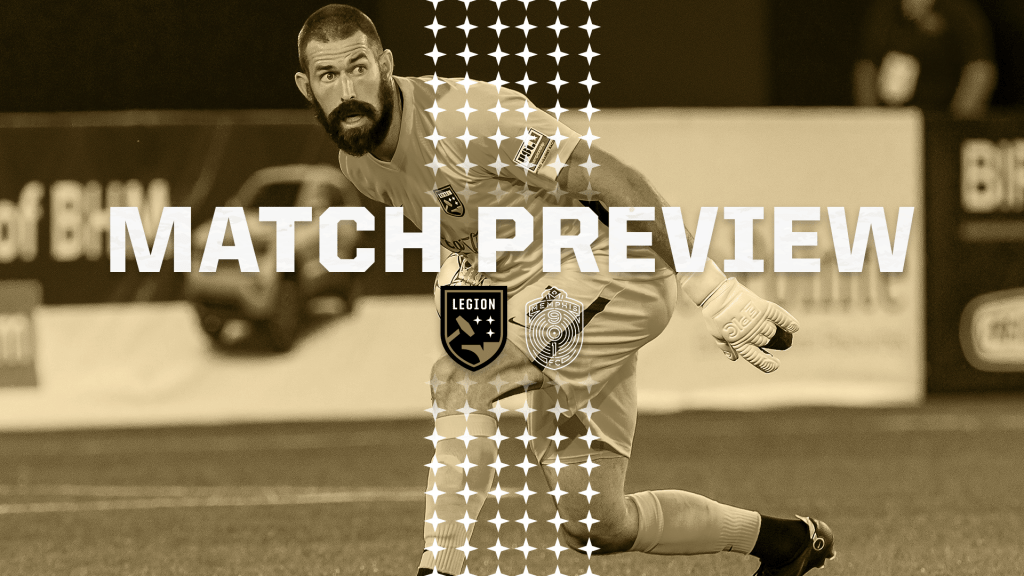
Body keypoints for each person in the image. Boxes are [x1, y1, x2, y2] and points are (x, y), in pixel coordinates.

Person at [294, 5, 835, 575]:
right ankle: (786, 542)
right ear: (307, 86)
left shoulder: (468, 119)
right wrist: (463, 280)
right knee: (595, 524)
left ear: (385, 64)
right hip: (544, 301)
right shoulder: (359, 164)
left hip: (612, 273)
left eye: (358, 68)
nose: (348, 90)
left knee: (459, 380)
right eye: (329, 76)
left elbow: (613, 180)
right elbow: (470, 242)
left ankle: (439, 568)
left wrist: (711, 287)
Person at [853, 0, 998, 118]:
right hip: (893, 119)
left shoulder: (959, 10)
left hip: (940, 118)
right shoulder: (885, 11)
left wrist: (956, 123)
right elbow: (866, 67)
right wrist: (871, 119)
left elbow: (980, 69)